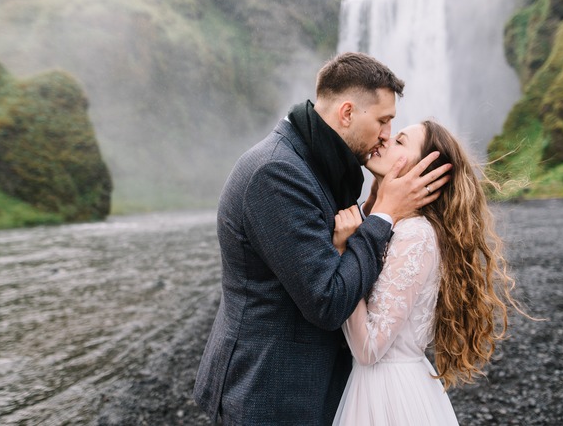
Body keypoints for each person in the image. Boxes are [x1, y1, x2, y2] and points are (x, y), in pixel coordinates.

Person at [193, 52, 451, 425]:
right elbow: (327, 301)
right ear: (347, 113)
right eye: (383, 121)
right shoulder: (277, 173)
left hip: (308, 389)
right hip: (268, 393)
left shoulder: (319, 162)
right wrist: (383, 215)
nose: (386, 136)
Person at [331, 120, 525, 425]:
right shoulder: (396, 227)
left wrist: (344, 255)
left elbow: (368, 349)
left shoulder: (415, 236)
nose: (385, 140)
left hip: (388, 395)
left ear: (425, 172)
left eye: (400, 141)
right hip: (384, 385)